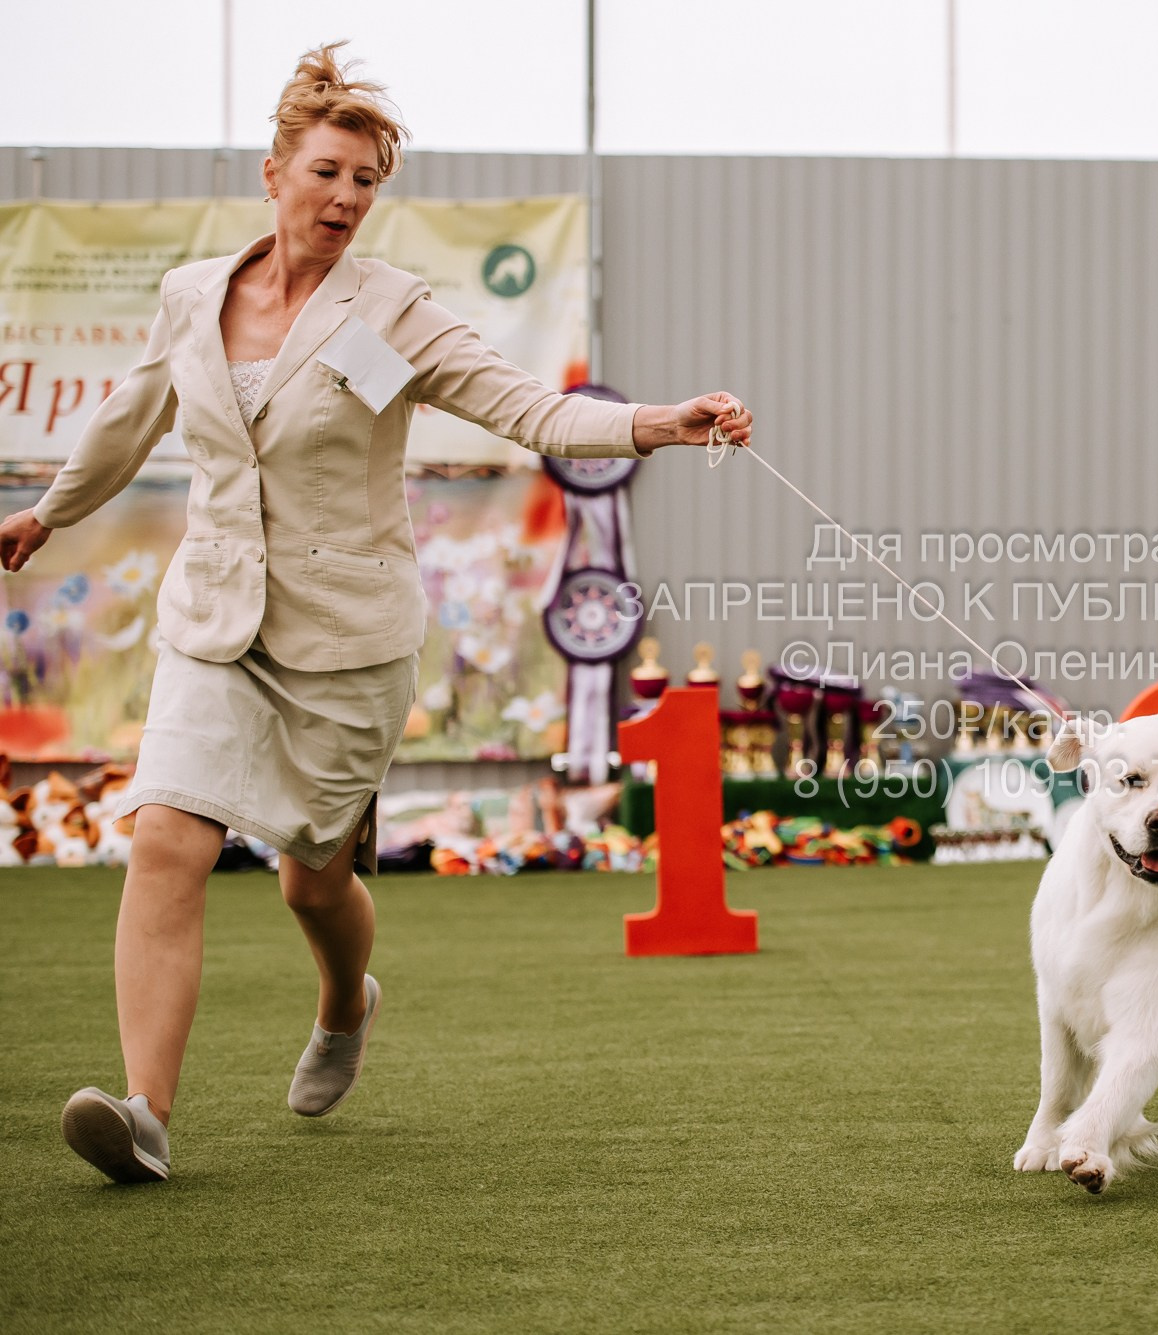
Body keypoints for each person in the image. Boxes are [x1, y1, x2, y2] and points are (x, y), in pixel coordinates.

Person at [0, 43, 753, 1184]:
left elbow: (527, 409)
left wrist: (663, 421)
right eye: (327, 173)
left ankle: (346, 1005)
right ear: (273, 173)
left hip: (348, 641)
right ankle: (146, 1114)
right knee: (166, 837)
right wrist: (47, 516)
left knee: (313, 877)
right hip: (213, 620)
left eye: (365, 181)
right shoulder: (192, 296)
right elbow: (129, 418)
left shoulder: (392, 311)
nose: (346, 198)